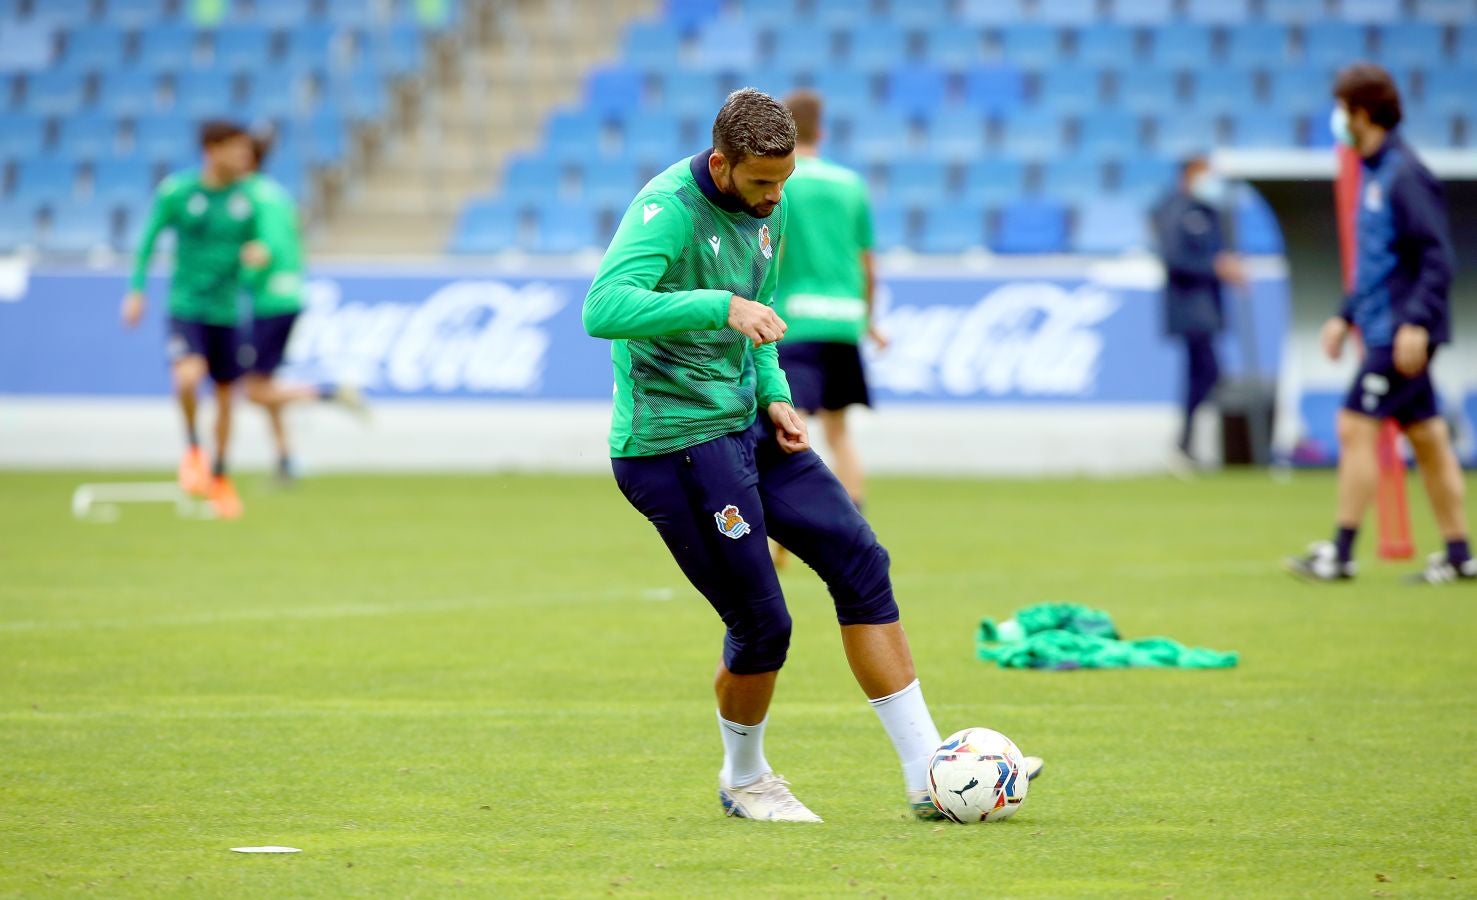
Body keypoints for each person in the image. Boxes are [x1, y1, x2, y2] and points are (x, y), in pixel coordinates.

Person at [582, 88, 1043, 822]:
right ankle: (744, 779)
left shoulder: (774, 201)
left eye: (783, 181)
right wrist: (716, 306)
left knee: (860, 560)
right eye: (760, 182)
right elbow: (602, 308)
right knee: (764, 625)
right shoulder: (665, 210)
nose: (774, 197)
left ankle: (927, 771)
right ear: (720, 162)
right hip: (675, 447)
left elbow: (759, 310)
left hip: (748, 425)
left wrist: (774, 395)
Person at [1286, 63, 1472, 585]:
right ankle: (1460, 555)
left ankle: (1341, 553)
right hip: (1385, 324)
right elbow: (1377, 263)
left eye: (1343, 109)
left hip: (1400, 334)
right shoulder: (1375, 172)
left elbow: (1436, 257)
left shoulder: (1405, 175)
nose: (1338, 119)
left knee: (1353, 425)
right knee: (1430, 439)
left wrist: (1415, 322)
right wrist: (1344, 316)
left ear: (1362, 112)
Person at [122, 120, 259, 519]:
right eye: (238, 149)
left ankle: (219, 475)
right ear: (212, 151)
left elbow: (257, 253)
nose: (245, 157)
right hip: (187, 306)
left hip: (227, 310)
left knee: (225, 396)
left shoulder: (247, 200)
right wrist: (136, 290)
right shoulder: (178, 192)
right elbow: (148, 239)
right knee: (187, 376)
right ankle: (193, 448)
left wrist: (255, 261)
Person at [773, 90, 884, 507]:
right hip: (843, 320)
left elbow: (774, 252)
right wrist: (869, 320)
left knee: (790, 424)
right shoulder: (850, 184)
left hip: (797, 319)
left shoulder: (782, 183)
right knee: (839, 433)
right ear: (821, 130)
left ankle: (786, 528)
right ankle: (854, 524)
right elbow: (867, 264)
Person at [239, 133, 366, 484]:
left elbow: (266, 250)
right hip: (286, 295)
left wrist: (234, 272)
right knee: (265, 383)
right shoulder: (275, 194)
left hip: (269, 300)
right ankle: (284, 461)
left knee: (254, 390)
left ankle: (328, 391)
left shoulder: (250, 197)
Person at [1151, 154, 1246, 469]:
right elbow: (1174, 259)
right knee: (1206, 372)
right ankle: (1184, 443)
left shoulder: (1209, 211)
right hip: (1188, 307)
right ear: (1188, 176)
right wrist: (1216, 267)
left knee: (1201, 374)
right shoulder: (1174, 210)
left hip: (1207, 307)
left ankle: (1186, 443)